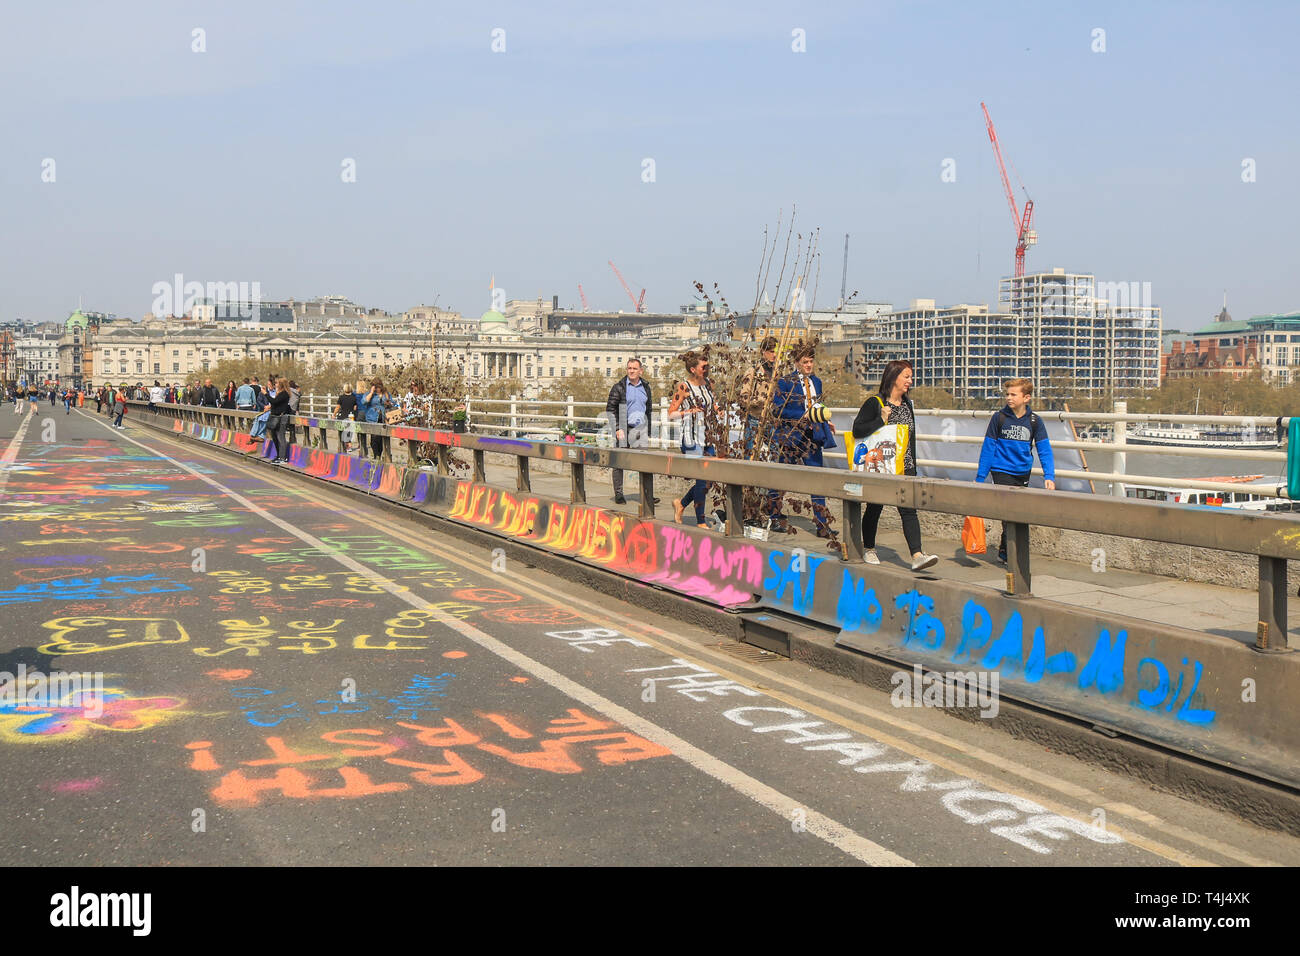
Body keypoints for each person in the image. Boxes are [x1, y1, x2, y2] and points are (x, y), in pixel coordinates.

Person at [852, 359, 938, 572]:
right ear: (893, 377)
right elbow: (857, 430)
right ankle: (869, 547)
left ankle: (917, 555)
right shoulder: (876, 402)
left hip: (905, 466)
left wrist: (913, 467)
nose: (910, 380)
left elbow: (910, 438)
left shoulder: (908, 404)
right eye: (906, 376)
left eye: (910, 376)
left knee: (909, 510)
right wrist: (881, 420)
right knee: (874, 507)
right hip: (881, 466)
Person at [975, 377, 1056, 564]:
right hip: (1001, 470)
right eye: (1007, 394)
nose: (1009, 398)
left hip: (1022, 473)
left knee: (1020, 513)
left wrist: (1049, 476)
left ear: (1026, 398)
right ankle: (1012, 554)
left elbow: (1044, 450)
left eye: (1013, 394)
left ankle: (1006, 549)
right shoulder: (999, 418)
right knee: (1008, 512)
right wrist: (980, 477)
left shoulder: (1035, 421)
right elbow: (988, 448)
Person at [770, 347, 837, 541]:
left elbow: (817, 406)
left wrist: (824, 419)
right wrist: (802, 415)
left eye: (811, 362)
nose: (809, 365)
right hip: (791, 436)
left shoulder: (817, 382)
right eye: (805, 362)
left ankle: (822, 524)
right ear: (797, 363)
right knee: (781, 477)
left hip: (812, 436)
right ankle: (774, 516)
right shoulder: (785, 381)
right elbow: (777, 410)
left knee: (817, 479)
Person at [668, 351, 716, 528]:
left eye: (707, 365)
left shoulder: (709, 384)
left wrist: (719, 411)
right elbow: (671, 413)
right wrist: (688, 412)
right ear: (693, 369)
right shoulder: (684, 387)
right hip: (691, 439)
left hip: (708, 437)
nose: (707, 369)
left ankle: (681, 504)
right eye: (704, 367)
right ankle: (701, 520)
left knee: (709, 479)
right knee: (702, 479)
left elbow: (712, 404)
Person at [606, 358, 657, 505]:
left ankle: (646, 495)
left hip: (640, 430)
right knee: (619, 463)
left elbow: (648, 409)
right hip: (624, 428)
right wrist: (617, 428)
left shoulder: (646, 387)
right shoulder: (619, 387)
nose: (631, 371)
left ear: (641, 371)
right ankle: (619, 494)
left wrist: (648, 429)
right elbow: (610, 409)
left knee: (644, 463)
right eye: (629, 368)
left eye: (634, 368)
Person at [266, 377, 293, 463]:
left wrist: (266, 394)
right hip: (275, 417)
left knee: (281, 437)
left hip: (281, 418)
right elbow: (274, 404)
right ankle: (278, 456)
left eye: (277, 383)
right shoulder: (279, 393)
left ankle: (283, 457)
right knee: (275, 437)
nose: (275, 385)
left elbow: (274, 402)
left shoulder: (284, 394)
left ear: (281, 384)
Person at [334, 382, 358, 454]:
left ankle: (343, 446)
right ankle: (349, 446)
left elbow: (338, 407)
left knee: (342, 432)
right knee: (348, 432)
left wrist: (334, 414)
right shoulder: (354, 398)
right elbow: (355, 408)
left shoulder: (341, 397)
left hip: (342, 416)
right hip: (350, 417)